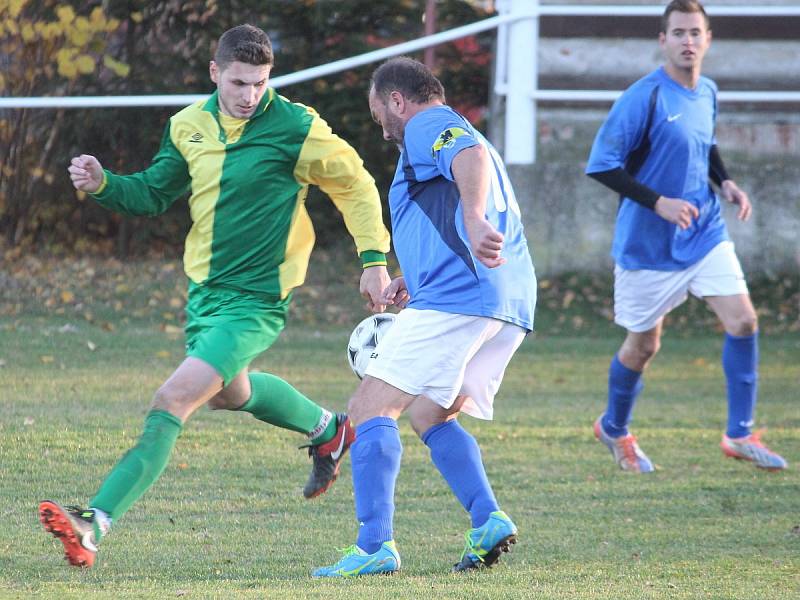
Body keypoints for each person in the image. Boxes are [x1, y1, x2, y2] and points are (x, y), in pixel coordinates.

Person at [39, 24, 391, 568]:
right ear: (214, 73)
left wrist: (372, 260)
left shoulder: (296, 125)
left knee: (172, 400)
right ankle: (329, 429)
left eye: (259, 82)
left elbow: (355, 184)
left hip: (257, 302)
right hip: (205, 296)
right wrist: (105, 184)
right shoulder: (188, 125)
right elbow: (154, 192)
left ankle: (94, 522)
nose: (250, 95)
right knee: (229, 393)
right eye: (238, 83)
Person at [312, 57, 537, 577]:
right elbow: (446, 201)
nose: (380, 126)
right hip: (506, 302)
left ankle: (373, 548)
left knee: (370, 409)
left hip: (462, 296)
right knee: (430, 414)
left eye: (378, 113)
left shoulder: (428, 123)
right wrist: (415, 274)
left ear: (396, 99)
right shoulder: (452, 127)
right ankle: (487, 521)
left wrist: (476, 219)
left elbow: (469, 159)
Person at [585, 0, 786, 473]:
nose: (688, 41)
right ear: (663, 41)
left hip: (705, 232)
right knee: (643, 347)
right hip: (647, 247)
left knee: (743, 321)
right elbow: (602, 166)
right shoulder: (644, 97)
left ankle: (739, 433)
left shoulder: (708, 91)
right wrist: (659, 202)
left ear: (709, 38)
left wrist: (726, 182)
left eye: (696, 33)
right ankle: (613, 427)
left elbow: (705, 144)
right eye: (678, 33)